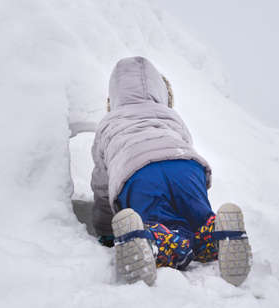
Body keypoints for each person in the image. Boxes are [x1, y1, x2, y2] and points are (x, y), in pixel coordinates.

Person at [91, 56, 252, 286]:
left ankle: (150, 242)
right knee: (197, 222)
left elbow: (101, 186)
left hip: (138, 174)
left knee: (165, 227)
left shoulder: (108, 124)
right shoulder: (171, 116)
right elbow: (185, 143)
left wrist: (106, 229)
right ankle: (218, 231)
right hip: (185, 166)